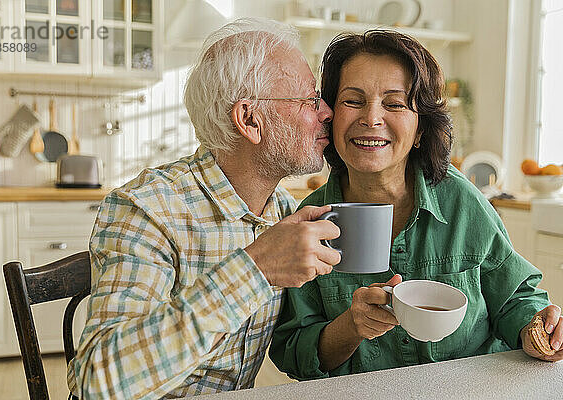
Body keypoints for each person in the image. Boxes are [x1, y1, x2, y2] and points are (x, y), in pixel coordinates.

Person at [66, 18, 341, 399]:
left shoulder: (282, 211)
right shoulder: (149, 208)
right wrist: (257, 267)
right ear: (249, 119)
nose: (326, 111)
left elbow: (298, 342)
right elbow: (98, 383)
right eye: (310, 100)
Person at [269, 30, 563, 380]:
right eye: (353, 101)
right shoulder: (309, 221)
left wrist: (539, 327)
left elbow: (515, 297)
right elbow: (293, 351)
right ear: (330, 117)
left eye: (394, 103)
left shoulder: (460, 200)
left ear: (421, 128)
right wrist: (351, 326)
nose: (371, 118)